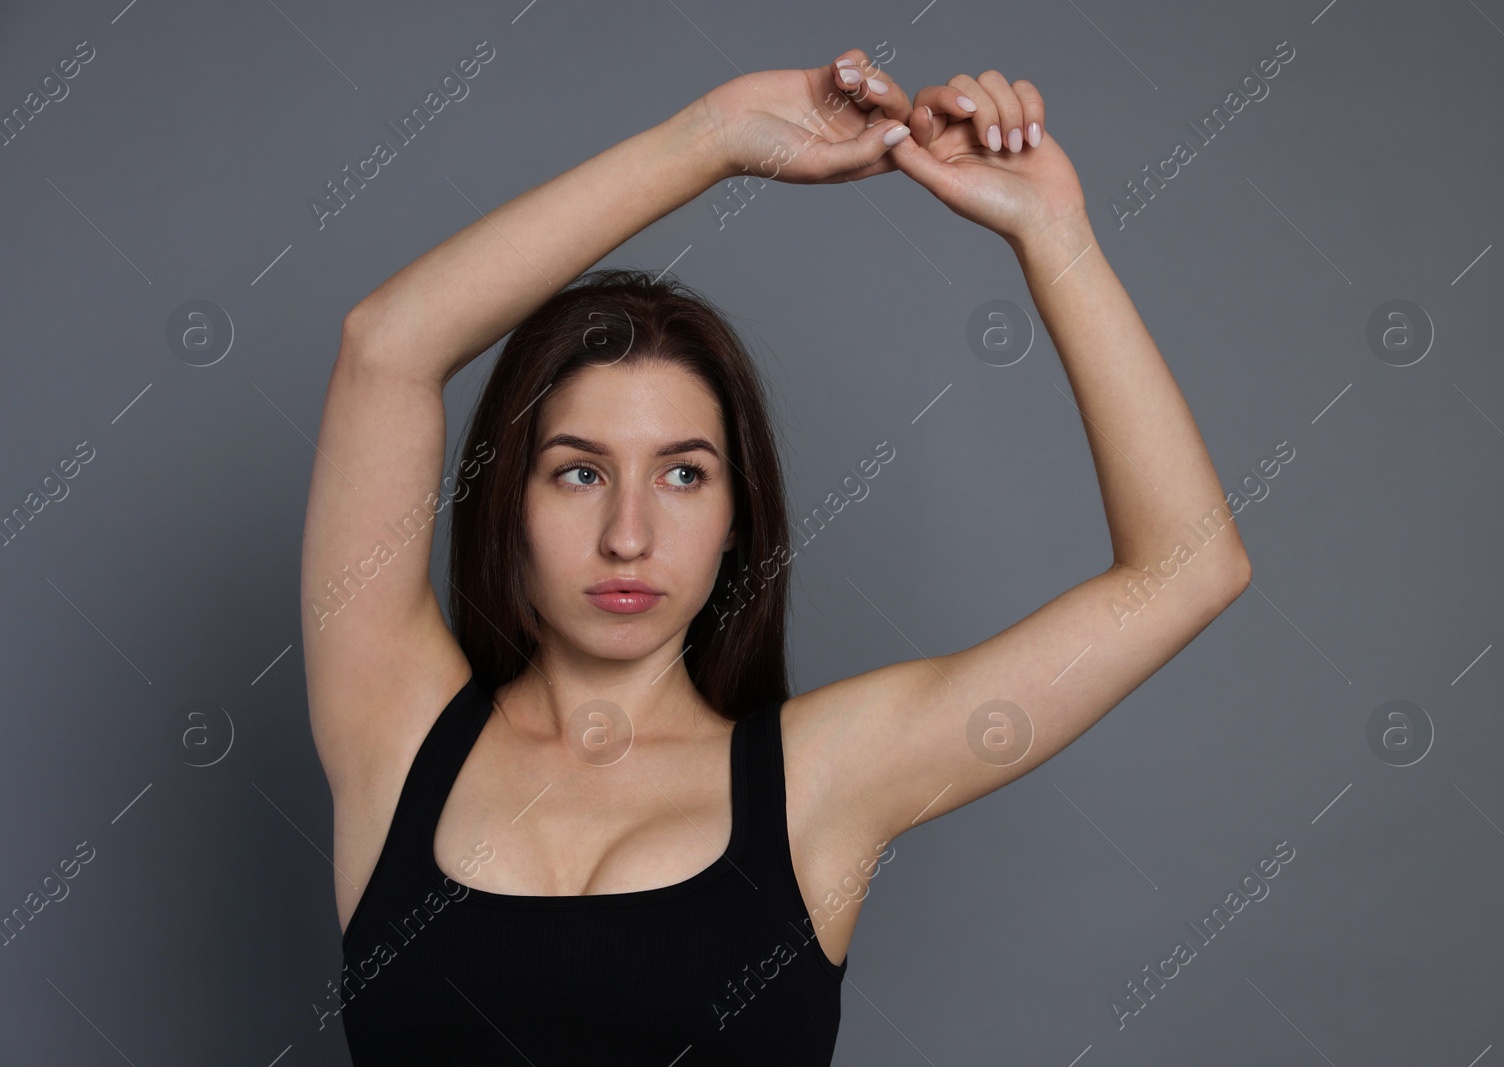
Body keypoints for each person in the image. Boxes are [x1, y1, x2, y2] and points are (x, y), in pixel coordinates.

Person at [300, 45, 1250, 1065]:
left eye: (682, 474)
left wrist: (1052, 232)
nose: (629, 532)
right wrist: (711, 139)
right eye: (577, 471)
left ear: (737, 519)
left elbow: (1187, 566)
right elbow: (387, 343)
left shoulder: (824, 780)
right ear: (507, 501)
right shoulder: (393, 733)